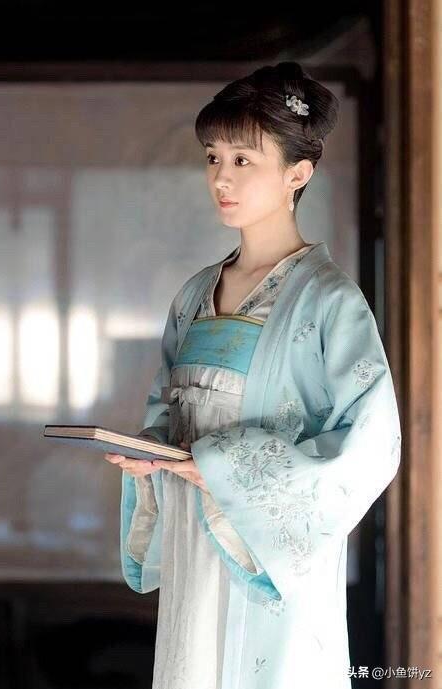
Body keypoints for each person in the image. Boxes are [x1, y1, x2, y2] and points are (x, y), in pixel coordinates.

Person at [105, 61, 402, 689]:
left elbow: (372, 445)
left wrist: (227, 466)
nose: (222, 177)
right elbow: (169, 413)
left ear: (298, 173)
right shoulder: (194, 295)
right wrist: (153, 454)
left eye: (244, 160)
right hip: (195, 542)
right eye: (214, 158)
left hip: (268, 558)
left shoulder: (330, 300)